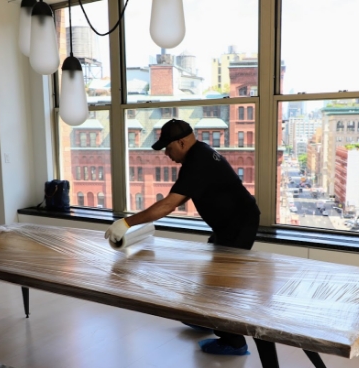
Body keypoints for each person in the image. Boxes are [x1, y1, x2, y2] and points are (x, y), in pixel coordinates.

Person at [105, 118, 260, 355]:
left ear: (182, 141)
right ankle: (206, 319)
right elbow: (181, 198)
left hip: (239, 225)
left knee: (222, 284)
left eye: (168, 148)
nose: (167, 153)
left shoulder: (198, 162)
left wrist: (126, 223)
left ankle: (234, 341)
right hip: (230, 224)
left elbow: (168, 205)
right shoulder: (200, 153)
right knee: (212, 275)